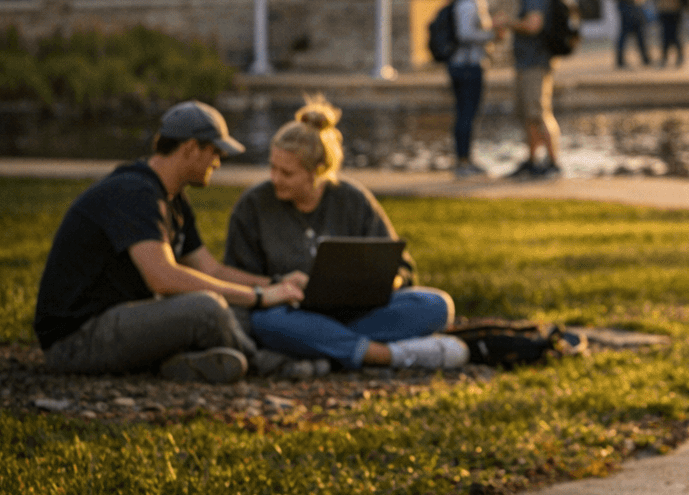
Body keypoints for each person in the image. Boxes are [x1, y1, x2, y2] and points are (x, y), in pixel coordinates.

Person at [33, 101, 306, 384]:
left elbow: (210, 270)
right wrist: (258, 297)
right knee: (207, 309)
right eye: (215, 152)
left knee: (229, 305)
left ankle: (180, 363)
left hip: (120, 322)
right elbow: (162, 278)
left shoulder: (172, 198)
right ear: (191, 148)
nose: (218, 161)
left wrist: (273, 285)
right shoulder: (135, 192)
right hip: (76, 341)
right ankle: (269, 366)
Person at [224, 96, 467, 373]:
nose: (275, 178)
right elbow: (232, 276)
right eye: (273, 168)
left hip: (357, 313)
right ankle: (386, 355)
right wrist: (278, 285)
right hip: (291, 314)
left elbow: (403, 270)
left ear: (317, 172)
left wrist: (385, 281)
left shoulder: (353, 200)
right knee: (265, 323)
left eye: (287, 173)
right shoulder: (253, 205)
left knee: (435, 305)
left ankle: (323, 350)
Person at [505, 0, 561, 178]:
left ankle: (553, 163)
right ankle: (533, 161)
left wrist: (507, 22)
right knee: (529, 114)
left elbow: (533, 25)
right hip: (530, 62)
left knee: (539, 113)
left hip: (534, 63)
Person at [447, 0, 499, 178]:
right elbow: (465, 34)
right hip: (466, 65)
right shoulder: (467, 2)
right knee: (466, 114)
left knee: (467, 113)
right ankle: (463, 162)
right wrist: (492, 33)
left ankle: (467, 159)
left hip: (466, 65)